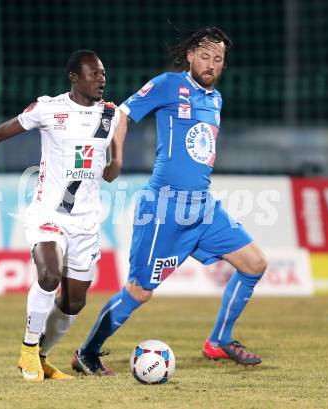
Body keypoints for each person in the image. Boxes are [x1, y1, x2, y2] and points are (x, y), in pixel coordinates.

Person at [0, 49, 127, 381]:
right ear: (74, 77)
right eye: (94, 73)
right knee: (49, 274)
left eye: (103, 73)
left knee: (74, 302)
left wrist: (113, 165)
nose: (101, 79)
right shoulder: (49, 108)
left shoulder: (111, 115)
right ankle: (28, 349)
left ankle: (41, 357)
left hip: (86, 221)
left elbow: (112, 170)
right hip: (48, 213)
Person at [72, 27, 267, 375]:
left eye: (218, 59)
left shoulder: (216, 99)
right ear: (191, 55)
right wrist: (116, 159)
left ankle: (219, 341)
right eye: (205, 56)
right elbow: (123, 113)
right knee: (139, 292)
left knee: (254, 264)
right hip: (164, 209)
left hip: (203, 209)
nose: (211, 64)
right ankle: (87, 351)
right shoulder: (167, 85)